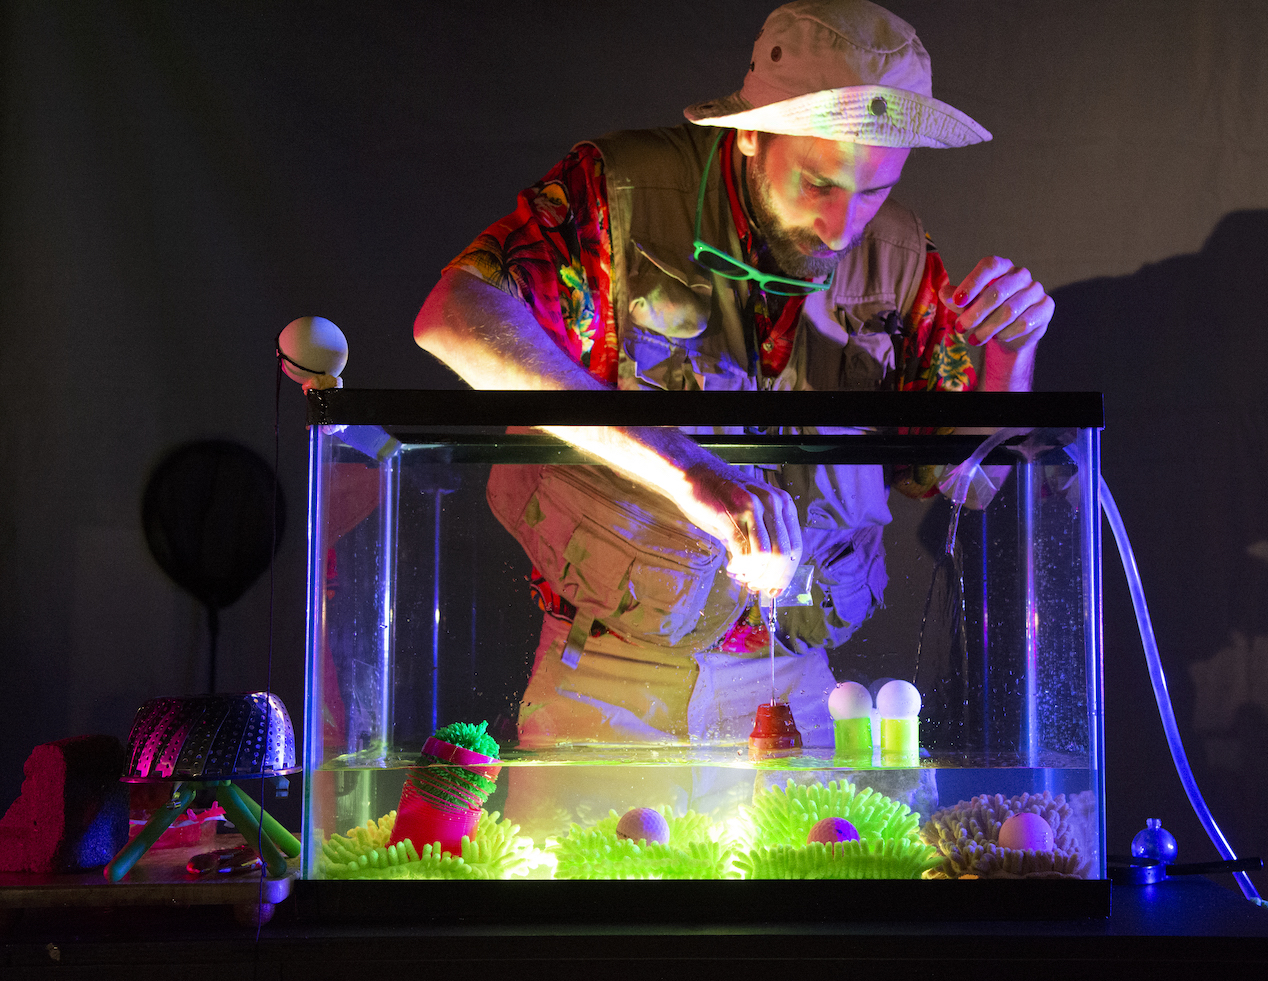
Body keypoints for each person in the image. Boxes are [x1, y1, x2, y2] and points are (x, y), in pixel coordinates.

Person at [413, 0, 1054, 832]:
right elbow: (452, 317)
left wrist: (1011, 357)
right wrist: (686, 470)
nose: (843, 223)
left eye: (876, 190)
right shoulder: (620, 195)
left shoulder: (897, 255)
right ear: (751, 133)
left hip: (809, 695)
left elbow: (959, 480)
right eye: (819, 183)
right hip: (608, 684)